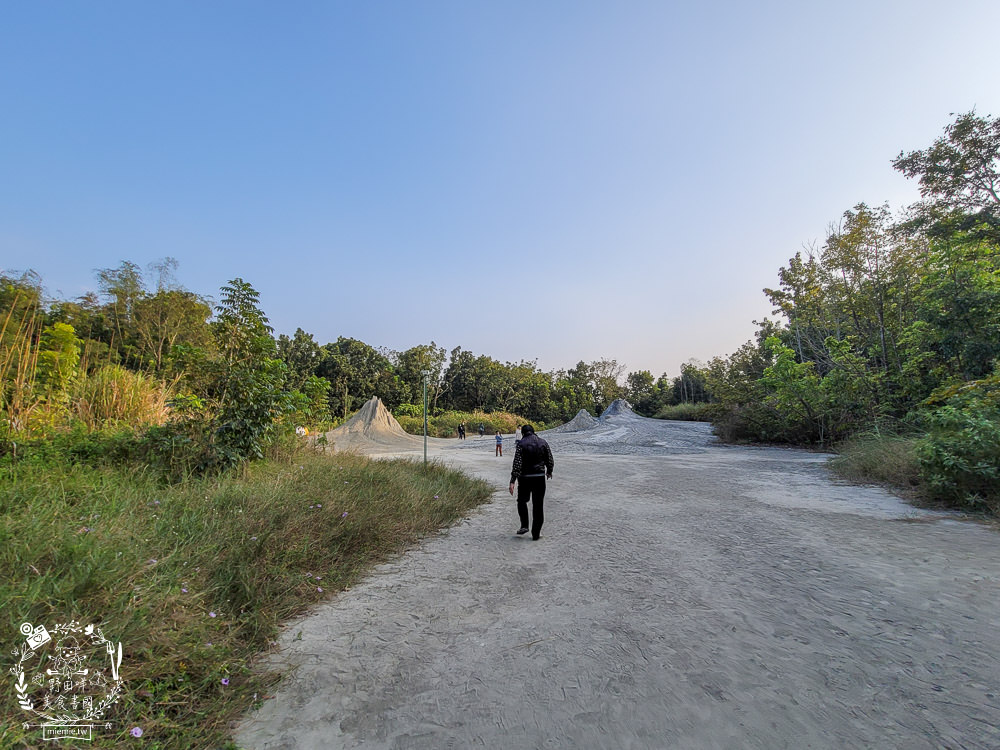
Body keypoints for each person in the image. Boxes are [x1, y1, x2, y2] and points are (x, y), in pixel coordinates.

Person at [508, 425, 553, 540]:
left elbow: (517, 464)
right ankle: (536, 534)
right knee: (538, 505)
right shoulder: (542, 442)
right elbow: (550, 458)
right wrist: (549, 471)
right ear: (534, 431)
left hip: (525, 478)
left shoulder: (521, 444)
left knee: (522, 501)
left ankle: (524, 525)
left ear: (523, 433)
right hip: (539, 477)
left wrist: (513, 480)